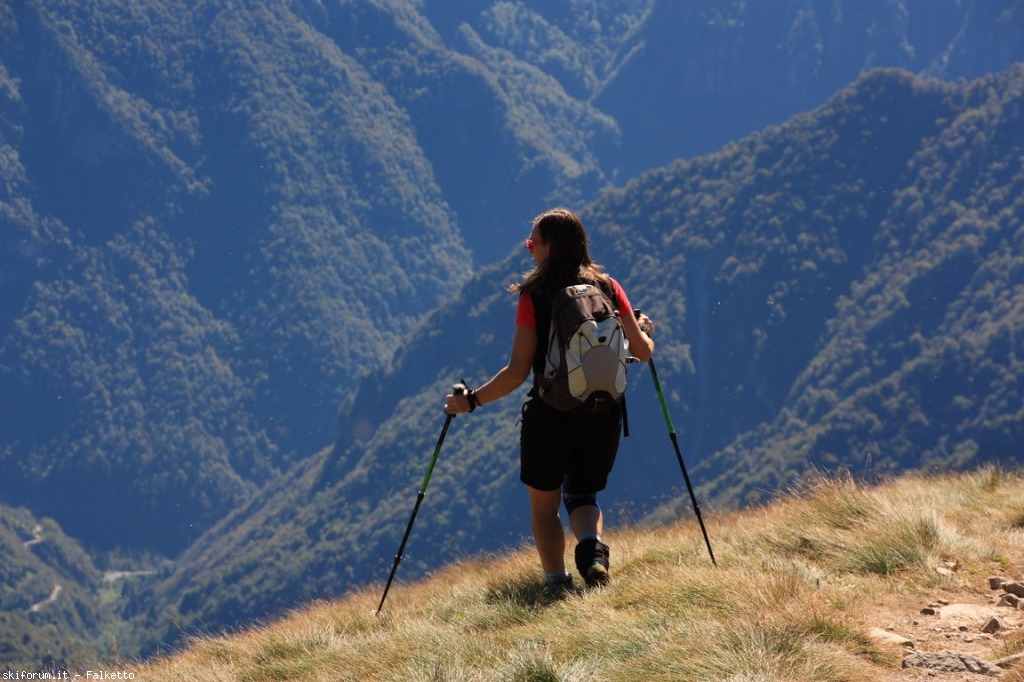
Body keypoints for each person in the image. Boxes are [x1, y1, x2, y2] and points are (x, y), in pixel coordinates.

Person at [444, 208, 654, 593]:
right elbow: (641, 352)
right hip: (603, 412)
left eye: (532, 243)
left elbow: (517, 372)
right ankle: (592, 556)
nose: (529, 251)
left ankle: (557, 584)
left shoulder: (535, 298)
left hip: (551, 416)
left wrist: (471, 401)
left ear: (550, 247)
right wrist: (643, 331)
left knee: (544, 505)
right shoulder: (609, 287)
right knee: (583, 494)